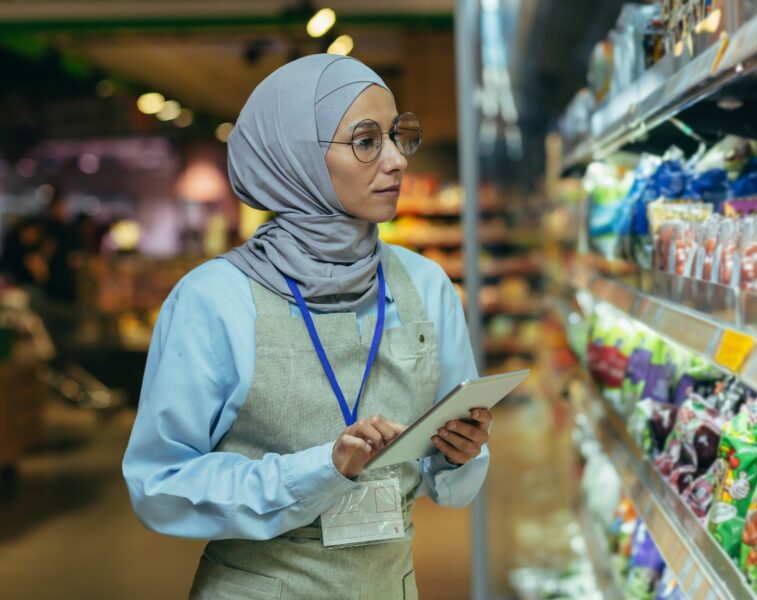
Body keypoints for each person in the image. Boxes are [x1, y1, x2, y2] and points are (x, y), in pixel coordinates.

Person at [122, 55, 491, 599]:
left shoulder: (425, 284)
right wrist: (321, 468)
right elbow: (160, 486)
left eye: (397, 136)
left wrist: (460, 453)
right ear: (294, 157)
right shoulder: (214, 300)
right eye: (366, 141)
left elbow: (451, 477)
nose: (395, 160)